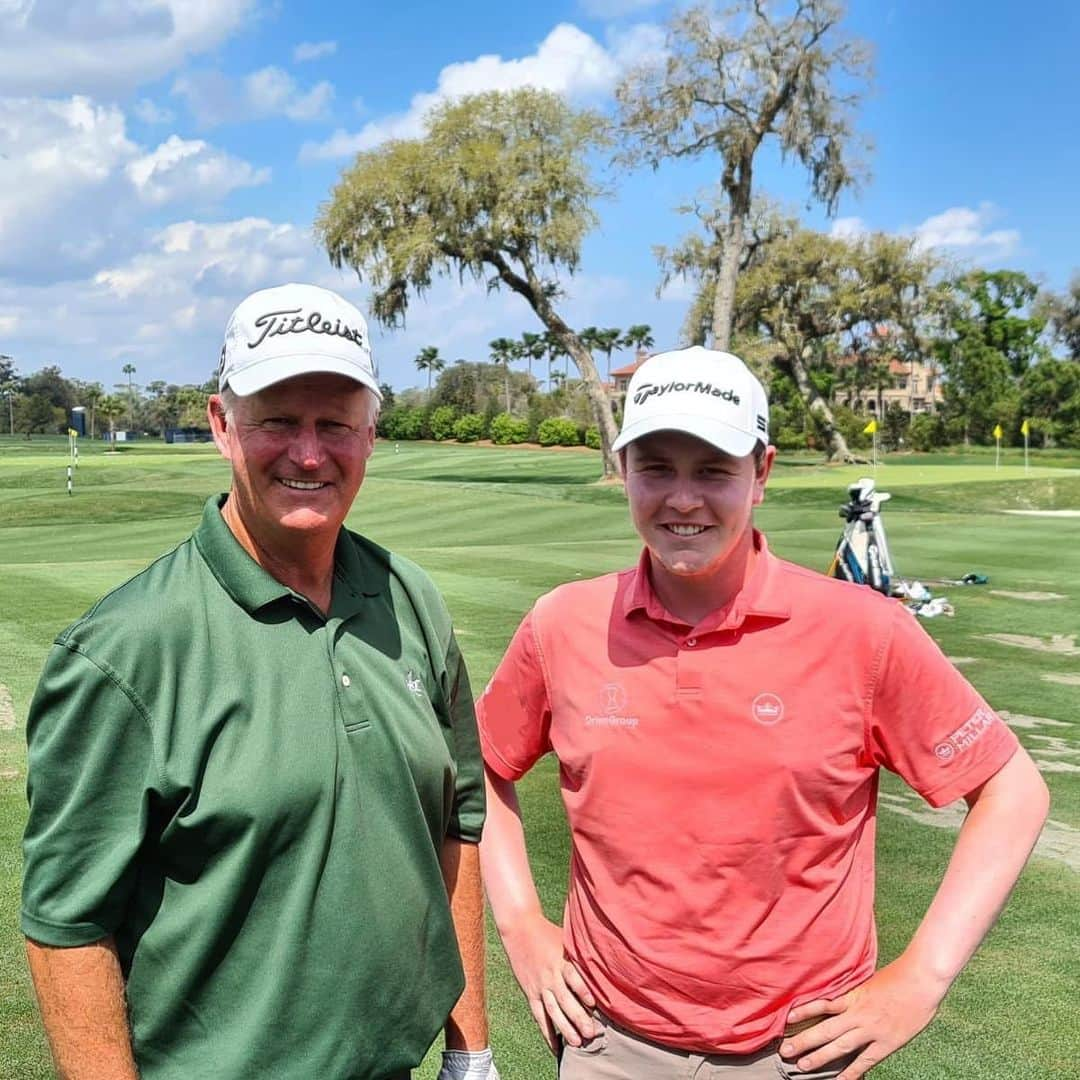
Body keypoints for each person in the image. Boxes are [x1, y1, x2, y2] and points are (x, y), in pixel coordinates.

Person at [477, 346, 1049, 1080]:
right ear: (624, 471)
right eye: (656, 467)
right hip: (607, 1043)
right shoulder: (563, 623)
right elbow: (481, 767)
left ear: (763, 473)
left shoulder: (862, 630)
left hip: (797, 1053)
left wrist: (923, 977)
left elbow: (1011, 789)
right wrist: (522, 925)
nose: (683, 499)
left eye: (714, 470)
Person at [22, 283, 499, 1080]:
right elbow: (66, 926)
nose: (308, 454)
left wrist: (470, 1052)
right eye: (278, 420)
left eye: (335, 424)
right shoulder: (124, 651)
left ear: (370, 434)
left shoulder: (411, 599)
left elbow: (456, 827)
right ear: (222, 424)